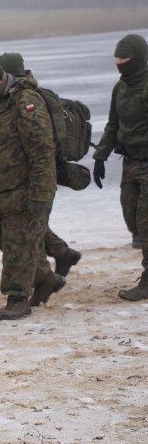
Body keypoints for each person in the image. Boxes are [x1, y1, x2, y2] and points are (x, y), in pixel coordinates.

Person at [0, 58, 64, 320]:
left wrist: (40, 193)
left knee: (18, 247)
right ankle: (47, 278)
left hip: (23, 191)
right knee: (5, 242)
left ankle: (18, 299)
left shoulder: (24, 103)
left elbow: (42, 151)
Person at [0, 52, 82, 278]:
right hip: (34, 173)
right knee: (31, 224)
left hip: (36, 174)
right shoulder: (27, 96)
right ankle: (63, 254)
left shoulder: (28, 99)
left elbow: (40, 145)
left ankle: (43, 277)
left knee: (29, 229)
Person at [93, 34, 148, 301]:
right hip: (130, 162)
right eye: (116, 58)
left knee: (145, 222)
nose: (117, 63)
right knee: (131, 215)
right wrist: (100, 157)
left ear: (136, 59)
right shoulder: (121, 87)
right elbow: (113, 124)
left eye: (123, 59)